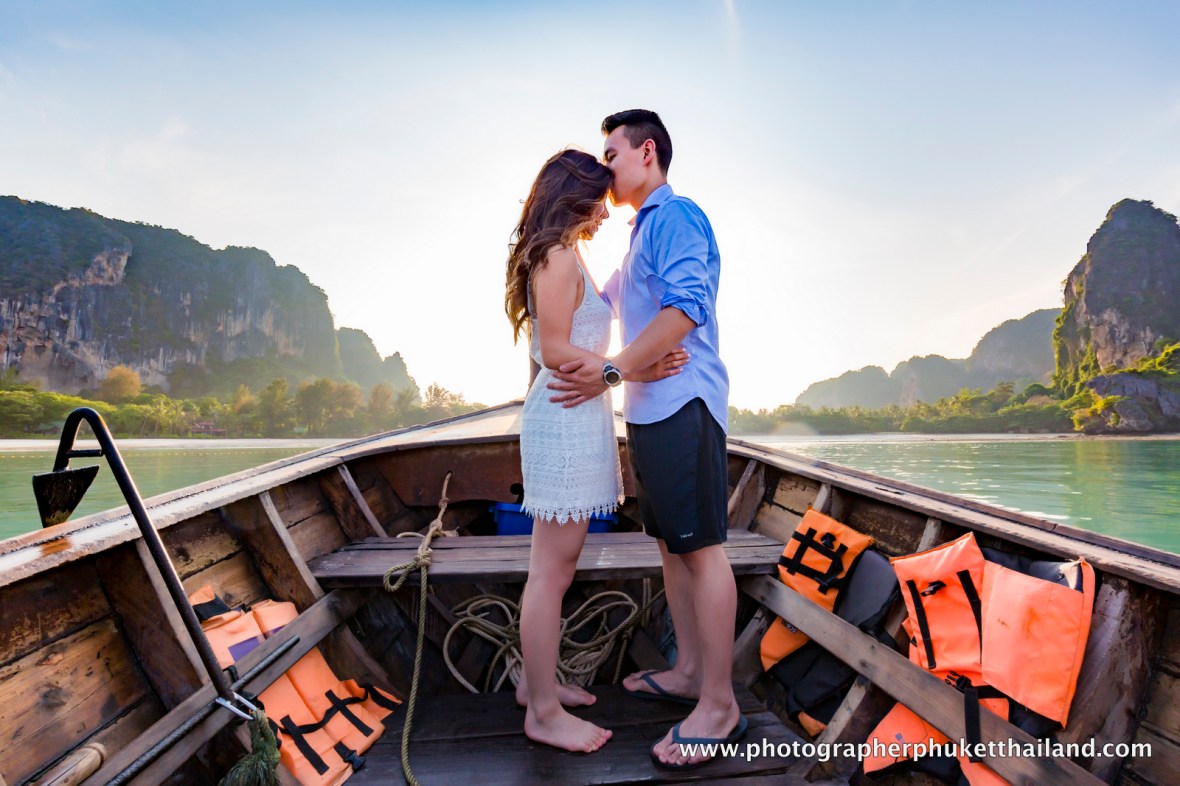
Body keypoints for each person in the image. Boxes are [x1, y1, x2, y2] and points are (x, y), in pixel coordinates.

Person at [548, 110, 742, 770]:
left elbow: (687, 308)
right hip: (651, 413)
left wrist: (610, 371)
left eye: (612, 154)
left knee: (703, 551)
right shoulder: (636, 238)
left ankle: (718, 703)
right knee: (670, 547)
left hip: (685, 406)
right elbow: (597, 310)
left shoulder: (677, 216)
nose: (604, 169)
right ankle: (689, 671)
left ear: (647, 153)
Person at [505, 149, 688, 753]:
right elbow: (554, 348)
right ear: (573, 194)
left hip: (574, 413)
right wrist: (637, 372)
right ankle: (542, 712)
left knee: (553, 571)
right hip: (562, 416)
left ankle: (540, 691)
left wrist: (629, 371)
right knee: (551, 574)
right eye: (598, 200)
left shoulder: (564, 252)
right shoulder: (557, 256)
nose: (606, 213)